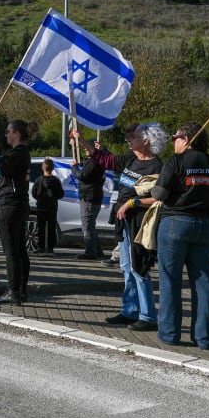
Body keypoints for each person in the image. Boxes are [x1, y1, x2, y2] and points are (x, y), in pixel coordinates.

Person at [150, 123, 209, 350]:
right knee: (204, 283)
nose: (173, 142)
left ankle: (170, 335)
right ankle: (204, 338)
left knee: (170, 281)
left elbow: (159, 194)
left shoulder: (176, 161)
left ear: (187, 139)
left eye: (175, 138)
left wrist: (152, 188)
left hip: (175, 224)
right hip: (206, 226)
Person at [74, 121, 168, 331]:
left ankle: (148, 316)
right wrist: (81, 140)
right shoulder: (130, 158)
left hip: (140, 223)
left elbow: (159, 198)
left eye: (133, 136)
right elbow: (105, 160)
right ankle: (130, 310)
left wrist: (132, 203)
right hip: (123, 221)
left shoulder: (157, 167)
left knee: (139, 268)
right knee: (126, 267)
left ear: (146, 141)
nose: (129, 138)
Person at [0, 120, 37, 304]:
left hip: (9, 205)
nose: (6, 135)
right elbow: (2, 160)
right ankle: (22, 290)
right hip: (19, 204)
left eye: (8, 132)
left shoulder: (17, 153)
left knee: (11, 252)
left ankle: (13, 291)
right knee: (19, 250)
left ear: (16, 133)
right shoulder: (21, 153)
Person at [73, 140, 107, 260]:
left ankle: (90, 252)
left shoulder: (94, 162)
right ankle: (97, 250)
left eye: (87, 148)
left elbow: (83, 176)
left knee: (87, 225)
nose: (85, 150)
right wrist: (74, 144)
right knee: (91, 225)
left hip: (89, 196)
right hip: (94, 196)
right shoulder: (96, 161)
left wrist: (74, 167)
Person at [31, 158, 63, 255]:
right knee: (51, 228)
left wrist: (39, 199)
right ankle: (50, 248)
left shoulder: (38, 180)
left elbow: (34, 193)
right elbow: (61, 194)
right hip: (52, 206)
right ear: (53, 168)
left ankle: (40, 247)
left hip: (41, 206)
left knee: (41, 227)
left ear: (42, 168)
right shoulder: (56, 181)